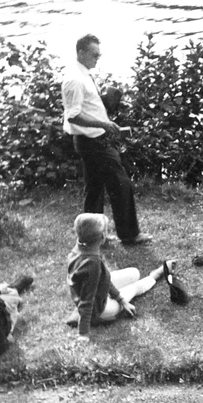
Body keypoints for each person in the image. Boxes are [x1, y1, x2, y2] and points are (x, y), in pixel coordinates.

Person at [62, 33, 151, 246]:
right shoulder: (75, 79)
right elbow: (73, 115)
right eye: (94, 54)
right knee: (121, 184)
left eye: (99, 55)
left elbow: (83, 108)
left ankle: (92, 237)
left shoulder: (83, 74)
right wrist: (104, 124)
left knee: (94, 189)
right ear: (81, 52)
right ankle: (129, 234)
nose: (97, 58)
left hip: (90, 140)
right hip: (92, 142)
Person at [66, 213, 172, 342]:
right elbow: (88, 301)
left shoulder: (79, 248)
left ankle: (80, 312)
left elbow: (104, 279)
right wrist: (83, 334)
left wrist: (120, 299)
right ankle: (155, 275)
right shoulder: (92, 263)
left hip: (92, 291)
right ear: (103, 237)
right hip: (101, 308)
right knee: (135, 288)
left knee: (134, 273)